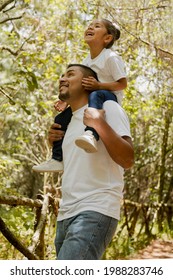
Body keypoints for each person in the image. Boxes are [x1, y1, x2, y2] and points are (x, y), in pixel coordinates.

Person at [51, 63, 134, 260]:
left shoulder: (108, 107)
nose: (62, 79)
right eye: (62, 75)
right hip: (65, 213)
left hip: (96, 208)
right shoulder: (68, 121)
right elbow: (76, 166)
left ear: (88, 83)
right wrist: (53, 147)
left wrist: (99, 123)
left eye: (70, 74)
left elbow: (128, 159)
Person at [32, 18, 127, 172]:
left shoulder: (111, 57)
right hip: (92, 98)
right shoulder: (86, 61)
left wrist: (99, 85)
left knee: (96, 95)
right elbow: (82, 87)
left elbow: (122, 84)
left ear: (107, 38)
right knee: (60, 118)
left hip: (108, 97)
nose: (90, 27)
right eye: (90, 25)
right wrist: (67, 102)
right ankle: (57, 158)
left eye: (97, 26)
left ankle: (91, 134)